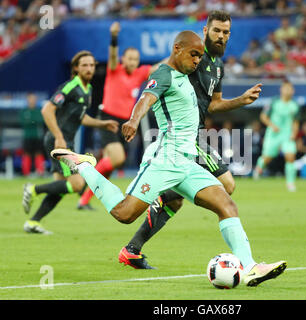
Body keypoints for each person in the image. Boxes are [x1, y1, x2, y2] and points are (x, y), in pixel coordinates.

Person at [51, 30, 286, 287]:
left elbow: (211, 74)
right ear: (178, 49)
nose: (197, 60)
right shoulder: (164, 73)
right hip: (164, 159)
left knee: (227, 205)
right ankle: (84, 166)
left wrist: (237, 93)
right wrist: (133, 119)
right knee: (124, 213)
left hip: (187, 161)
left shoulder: (187, 76)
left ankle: (250, 266)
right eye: (193, 55)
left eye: (199, 56)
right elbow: (147, 98)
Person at [120, 10, 263, 269]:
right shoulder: (189, 56)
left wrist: (240, 100)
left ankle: (133, 247)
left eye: (226, 32)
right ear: (205, 31)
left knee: (177, 198)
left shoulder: (217, 67)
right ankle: (247, 262)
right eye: (217, 30)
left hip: (196, 134)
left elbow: (214, 104)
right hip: (181, 136)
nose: (221, 36)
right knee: (227, 184)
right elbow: (161, 71)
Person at [22, 50, 119, 234]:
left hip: (65, 141)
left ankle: (33, 222)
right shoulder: (69, 87)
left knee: (60, 188)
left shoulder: (87, 89)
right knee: (77, 184)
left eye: (91, 65)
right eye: (84, 65)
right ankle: (33, 188)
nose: (89, 68)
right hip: (59, 141)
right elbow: (47, 110)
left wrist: (102, 123)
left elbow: (80, 118)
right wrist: (59, 136)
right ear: (76, 68)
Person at [77, 22, 162, 210]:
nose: (133, 62)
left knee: (111, 166)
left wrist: (179, 54)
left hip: (126, 123)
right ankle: (85, 172)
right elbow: (112, 55)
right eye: (130, 59)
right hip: (108, 118)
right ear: (124, 59)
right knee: (117, 158)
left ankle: (84, 199)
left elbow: (160, 66)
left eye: (136, 59)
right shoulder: (114, 69)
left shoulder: (140, 73)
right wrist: (114, 38)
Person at [253, 80, 300, 192]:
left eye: (290, 89)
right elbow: (263, 116)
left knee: (290, 157)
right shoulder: (274, 102)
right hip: (273, 134)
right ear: (281, 90)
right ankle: (259, 168)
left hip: (287, 135)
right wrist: (272, 125)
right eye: (286, 88)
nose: (288, 91)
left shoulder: (295, 105)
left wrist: (294, 133)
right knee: (267, 158)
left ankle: (290, 183)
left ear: (293, 91)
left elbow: (296, 122)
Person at [19, 93, 45, 176]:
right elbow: (23, 121)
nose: (32, 101)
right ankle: (26, 173)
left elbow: (41, 120)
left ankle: (40, 172)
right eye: (30, 99)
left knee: (39, 153)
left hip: (37, 136)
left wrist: (31, 120)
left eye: (34, 99)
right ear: (27, 100)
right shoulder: (24, 110)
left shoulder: (39, 110)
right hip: (27, 136)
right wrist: (33, 121)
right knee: (27, 153)